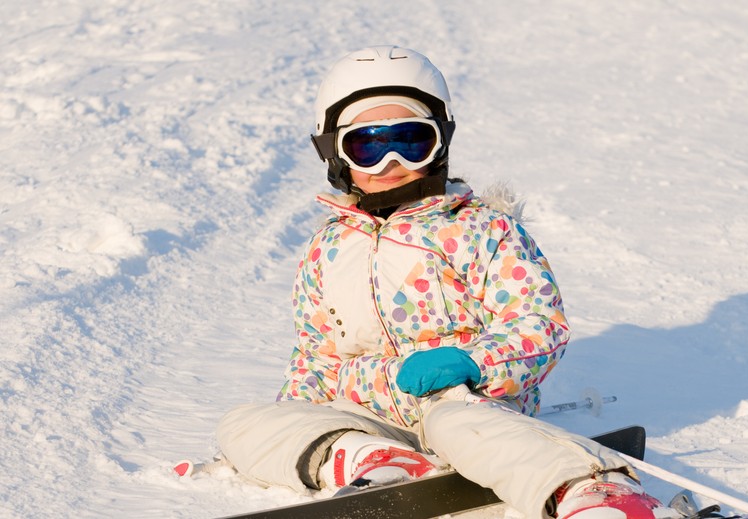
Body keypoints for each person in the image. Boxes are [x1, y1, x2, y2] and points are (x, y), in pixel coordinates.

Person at [215, 45, 679, 519]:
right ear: (335, 152)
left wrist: (472, 363)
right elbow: (317, 355)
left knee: (459, 425)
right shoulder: (326, 250)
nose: (390, 161)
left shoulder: (481, 230)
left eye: (412, 141)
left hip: (466, 403)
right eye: (367, 145)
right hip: (368, 418)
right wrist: (293, 421)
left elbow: (539, 325)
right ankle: (375, 461)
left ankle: (593, 492)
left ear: (441, 143)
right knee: (241, 424)